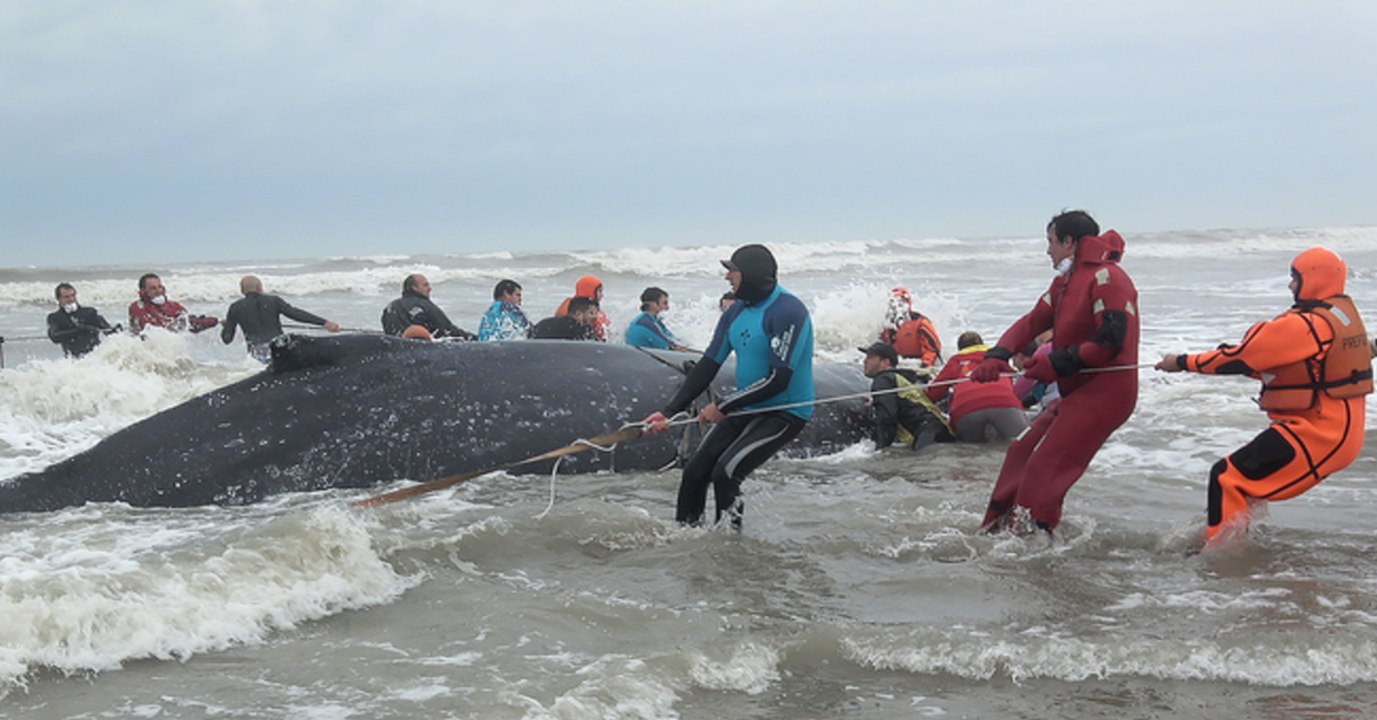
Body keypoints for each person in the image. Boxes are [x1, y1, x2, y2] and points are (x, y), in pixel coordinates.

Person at [1155, 247, 1370, 545]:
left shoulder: (1304, 325)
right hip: (1337, 432)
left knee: (1226, 477)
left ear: (1314, 279)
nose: (1291, 285)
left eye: (1295, 278)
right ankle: (1241, 552)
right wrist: (1244, 360)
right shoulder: (1337, 317)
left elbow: (1238, 359)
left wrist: (1180, 362)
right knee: (1241, 482)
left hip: (1318, 436)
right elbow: (1296, 369)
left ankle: (1218, 564)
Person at [968, 210, 1139, 535]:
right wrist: (997, 355)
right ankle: (997, 530)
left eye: (1051, 241)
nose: (1048, 250)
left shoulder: (1110, 278)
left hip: (1108, 394)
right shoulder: (1065, 282)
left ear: (1069, 242)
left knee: (1045, 466)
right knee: (1021, 450)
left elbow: (1110, 341)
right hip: (1076, 391)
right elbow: (1033, 320)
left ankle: (1032, 543)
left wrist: (1056, 362)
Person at [642, 244, 814, 528]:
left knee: (726, 471)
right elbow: (708, 365)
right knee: (695, 471)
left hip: (784, 411)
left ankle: (729, 548)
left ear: (752, 274)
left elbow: (778, 379)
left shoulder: (787, 311)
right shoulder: (735, 313)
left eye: (732, 271)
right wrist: (669, 411)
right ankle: (687, 537)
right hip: (745, 406)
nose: (727, 277)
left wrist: (723, 406)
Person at [927, 331, 1028, 442]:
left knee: (969, 450)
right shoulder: (999, 358)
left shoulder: (957, 360)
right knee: (1023, 442)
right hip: (1004, 404)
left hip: (967, 409)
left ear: (960, 349)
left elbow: (934, 392)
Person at [221, 276, 341, 361]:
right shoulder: (273, 301)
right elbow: (295, 314)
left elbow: (227, 339)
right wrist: (324, 323)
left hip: (256, 353)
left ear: (242, 291)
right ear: (259, 287)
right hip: (279, 347)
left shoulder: (235, 308)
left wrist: (227, 325)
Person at [860, 342, 952, 449]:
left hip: (928, 434)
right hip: (938, 431)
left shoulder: (883, 379)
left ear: (885, 363)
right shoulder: (898, 378)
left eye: (870, 357)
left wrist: (881, 450)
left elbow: (887, 418)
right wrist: (875, 401)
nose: (865, 361)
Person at [381, 274, 476, 340]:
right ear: (414, 288)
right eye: (425, 285)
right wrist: (475, 339)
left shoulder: (389, 308)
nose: (430, 289)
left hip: (395, 352)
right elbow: (449, 330)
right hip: (421, 351)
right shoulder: (425, 305)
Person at [129, 273, 218, 334]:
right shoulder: (137, 307)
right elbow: (150, 330)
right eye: (153, 288)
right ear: (143, 291)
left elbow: (190, 324)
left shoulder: (173, 306)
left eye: (159, 287)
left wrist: (214, 322)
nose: (158, 290)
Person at [47, 283, 117, 358]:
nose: (71, 299)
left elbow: (107, 330)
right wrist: (79, 330)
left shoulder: (89, 312)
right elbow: (55, 337)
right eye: (67, 297)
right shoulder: (56, 317)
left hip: (95, 357)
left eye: (73, 295)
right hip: (73, 360)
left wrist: (116, 330)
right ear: (59, 299)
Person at [880, 287, 942, 366]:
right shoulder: (888, 326)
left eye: (901, 303)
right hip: (898, 364)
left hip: (919, 364)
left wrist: (925, 364)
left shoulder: (921, 323)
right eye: (892, 303)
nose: (896, 307)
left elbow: (932, 350)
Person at [624, 287, 691, 351]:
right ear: (653, 304)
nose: (668, 307)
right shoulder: (645, 323)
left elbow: (672, 339)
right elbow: (671, 347)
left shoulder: (653, 320)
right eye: (665, 303)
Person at [555, 275, 611, 341]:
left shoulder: (575, 305)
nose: (602, 295)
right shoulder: (569, 308)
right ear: (590, 291)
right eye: (600, 291)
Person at [531, 297, 600, 340]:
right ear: (579, 314)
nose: (595, 317)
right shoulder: (582, 330)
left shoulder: (544, 323)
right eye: (592, 313)